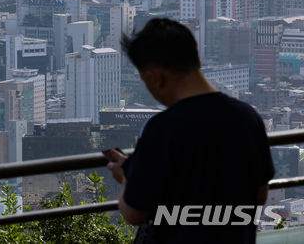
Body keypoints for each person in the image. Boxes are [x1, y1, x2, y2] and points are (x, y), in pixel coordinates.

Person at [106, 18, 274, 243]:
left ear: (155, 77)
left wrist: (125, 178)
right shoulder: (247, 117)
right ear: (198, 59)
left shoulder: (161, 130)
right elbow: (260, 195)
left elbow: (134, 213)